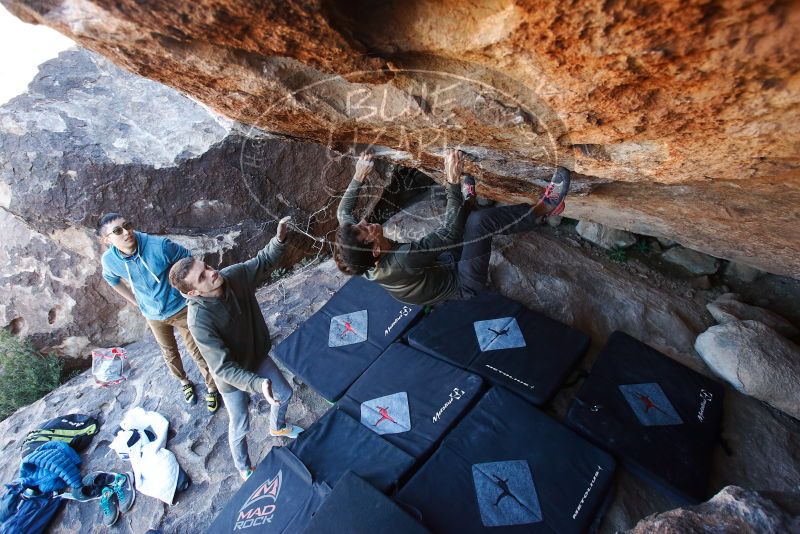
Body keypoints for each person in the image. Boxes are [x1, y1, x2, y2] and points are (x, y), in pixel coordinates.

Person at [333, 149, 570, 306]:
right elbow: (450, 234)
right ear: (374, 250)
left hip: (441, 262)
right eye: (364, 229)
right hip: (462, 281)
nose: (364, 222)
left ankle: (469, 203)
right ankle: (544, 209)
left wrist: (358, 175)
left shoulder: (359, 259)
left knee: (460, 217)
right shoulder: (402, 261)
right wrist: (452, 181)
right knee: (478, 223)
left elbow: (342, 213)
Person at [168, 216, 303, 480]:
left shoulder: (233, 276)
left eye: (206, 266)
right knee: (241, 425)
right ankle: (243, 467)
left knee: (284, 394)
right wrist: (256, 384)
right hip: (231, 379)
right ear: (193, 293)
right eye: (203, 276)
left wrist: (279, 239)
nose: (211, 272)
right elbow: (222, 367)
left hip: (255, 356)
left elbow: (262, 262)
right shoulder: (199, 321)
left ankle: (278, 426)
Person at [98, 214, 220, 412]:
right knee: (169, 353)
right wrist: (136, 302)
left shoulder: (159, 246)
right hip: (153, 314)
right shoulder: (110, 261)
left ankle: (212, 387)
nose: (127, 232)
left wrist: (188, 292)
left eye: (127, 225)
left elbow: (188, 261)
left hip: (180, 308)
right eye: (118, 231)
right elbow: (112, 280)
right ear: (107, 240)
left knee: (197, 350)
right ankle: (184, 382)